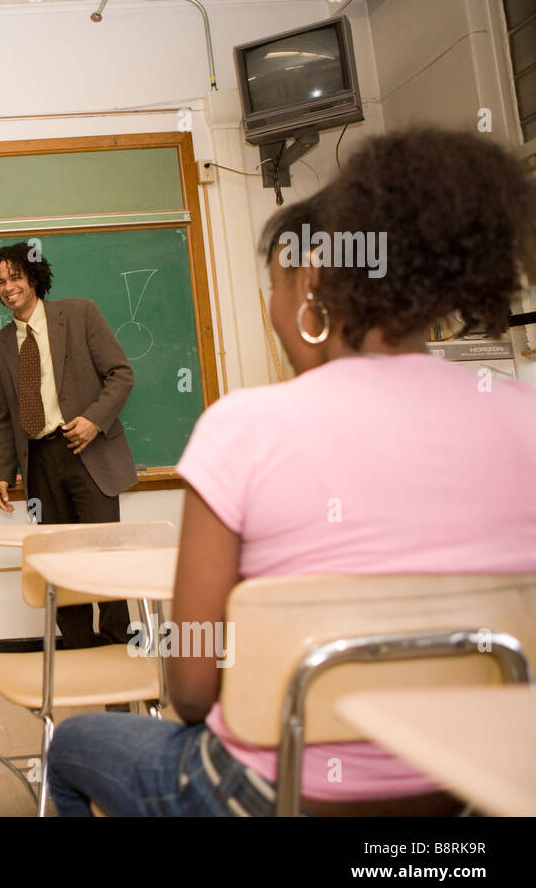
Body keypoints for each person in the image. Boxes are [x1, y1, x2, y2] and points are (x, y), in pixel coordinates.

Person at [47, 128, 536, 816]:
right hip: (474, 792)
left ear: (310, 286)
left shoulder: (244, 427)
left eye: (273, 287)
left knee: (68, 748)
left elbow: (190, 690)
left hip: (272, 796)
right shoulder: (524, 417)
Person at [0, 242, 139, 649]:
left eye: (15, 276)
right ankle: (79, 651)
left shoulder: (80, 313)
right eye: (0, 282)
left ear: (34, 277)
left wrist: (93, 421)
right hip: (39, 463)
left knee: (103, 559)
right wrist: (2, 474)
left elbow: (121, 374)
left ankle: (119, 650)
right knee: (61, 565)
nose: (8, 287)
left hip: (89, 452)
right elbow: (5, 417)